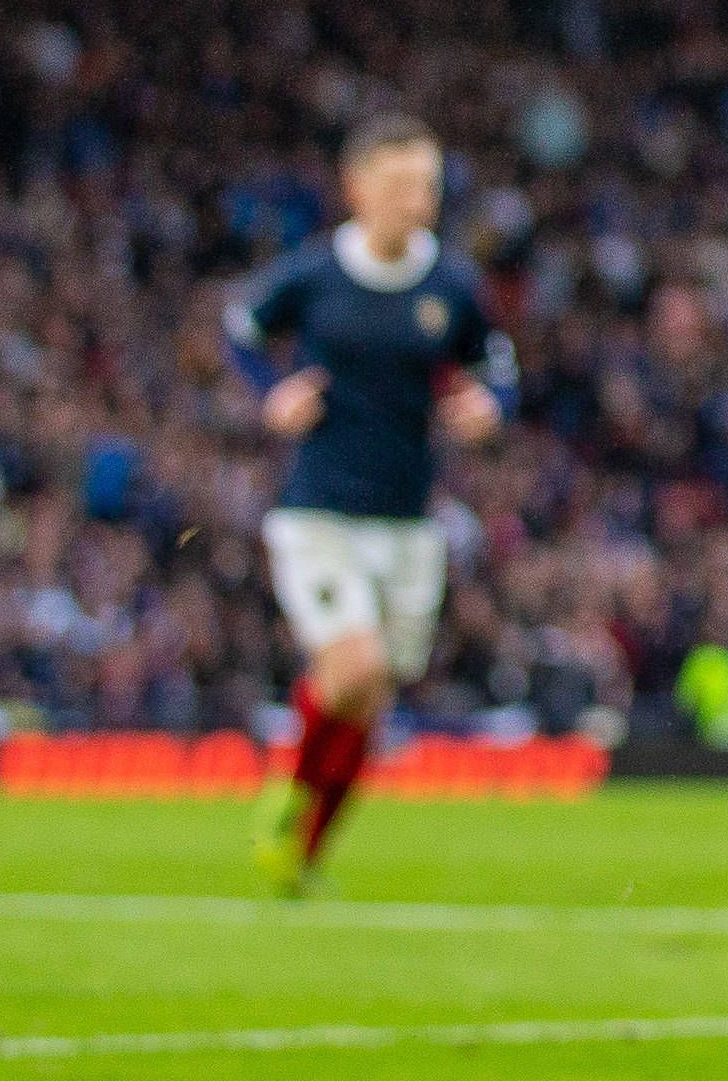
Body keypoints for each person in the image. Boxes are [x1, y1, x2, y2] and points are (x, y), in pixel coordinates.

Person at [223, 116, 512, 891]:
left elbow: (496, 360)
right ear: (357, 188)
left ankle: (302, 852)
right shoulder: (316, 275)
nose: (418, 200)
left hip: (409, 517)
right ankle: (287, 790)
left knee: (370, 700)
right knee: (355, 667)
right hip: (319, 510)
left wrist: (490, 403)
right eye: (401, 184)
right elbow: (240, 327)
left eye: (428, 184)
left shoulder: (450, 284)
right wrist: (270, 391)